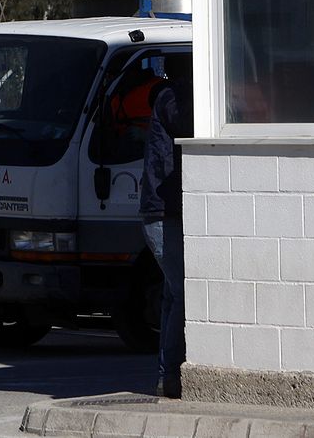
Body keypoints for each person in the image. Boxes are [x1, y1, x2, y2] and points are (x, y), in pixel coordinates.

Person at [140, 60, 192, 399]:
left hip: (161, 213)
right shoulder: (170, 99)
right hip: (162, 213)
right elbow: (186, 124)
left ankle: (166, 376)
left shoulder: (166, 98)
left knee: (173, 296)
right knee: (182, 292)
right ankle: (170, 374)